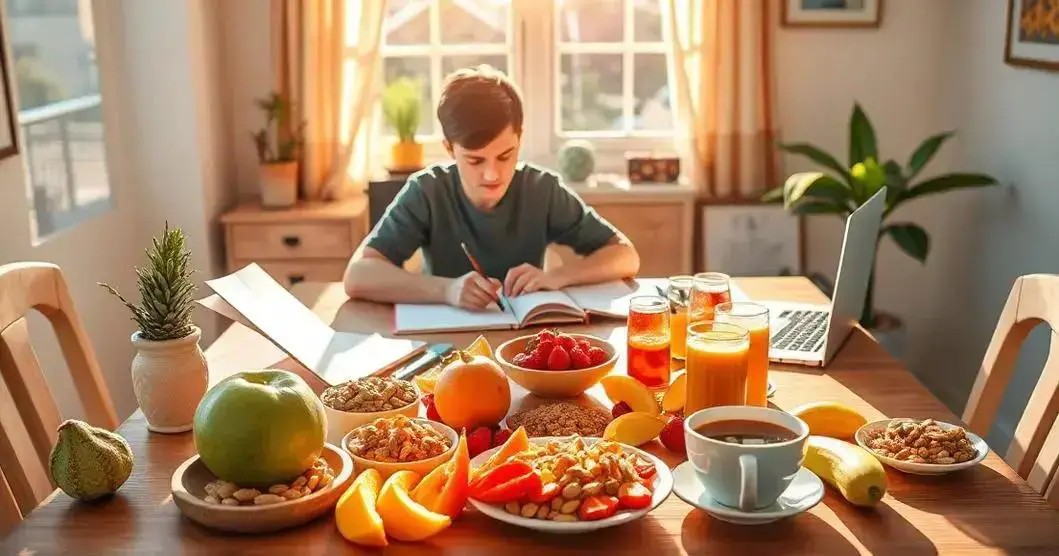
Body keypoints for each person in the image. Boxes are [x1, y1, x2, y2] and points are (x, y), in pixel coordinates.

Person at [343, 65, 639, 310]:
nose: (491, 174)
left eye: (505, 156)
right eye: (474, 160)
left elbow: (625, 255)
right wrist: (446, 290)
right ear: (449, 148)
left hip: (523, 341)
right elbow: (357, 276)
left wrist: (558, 277)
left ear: (519, 139)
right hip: (443, 347)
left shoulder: (541, 189)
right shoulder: (427, 190)